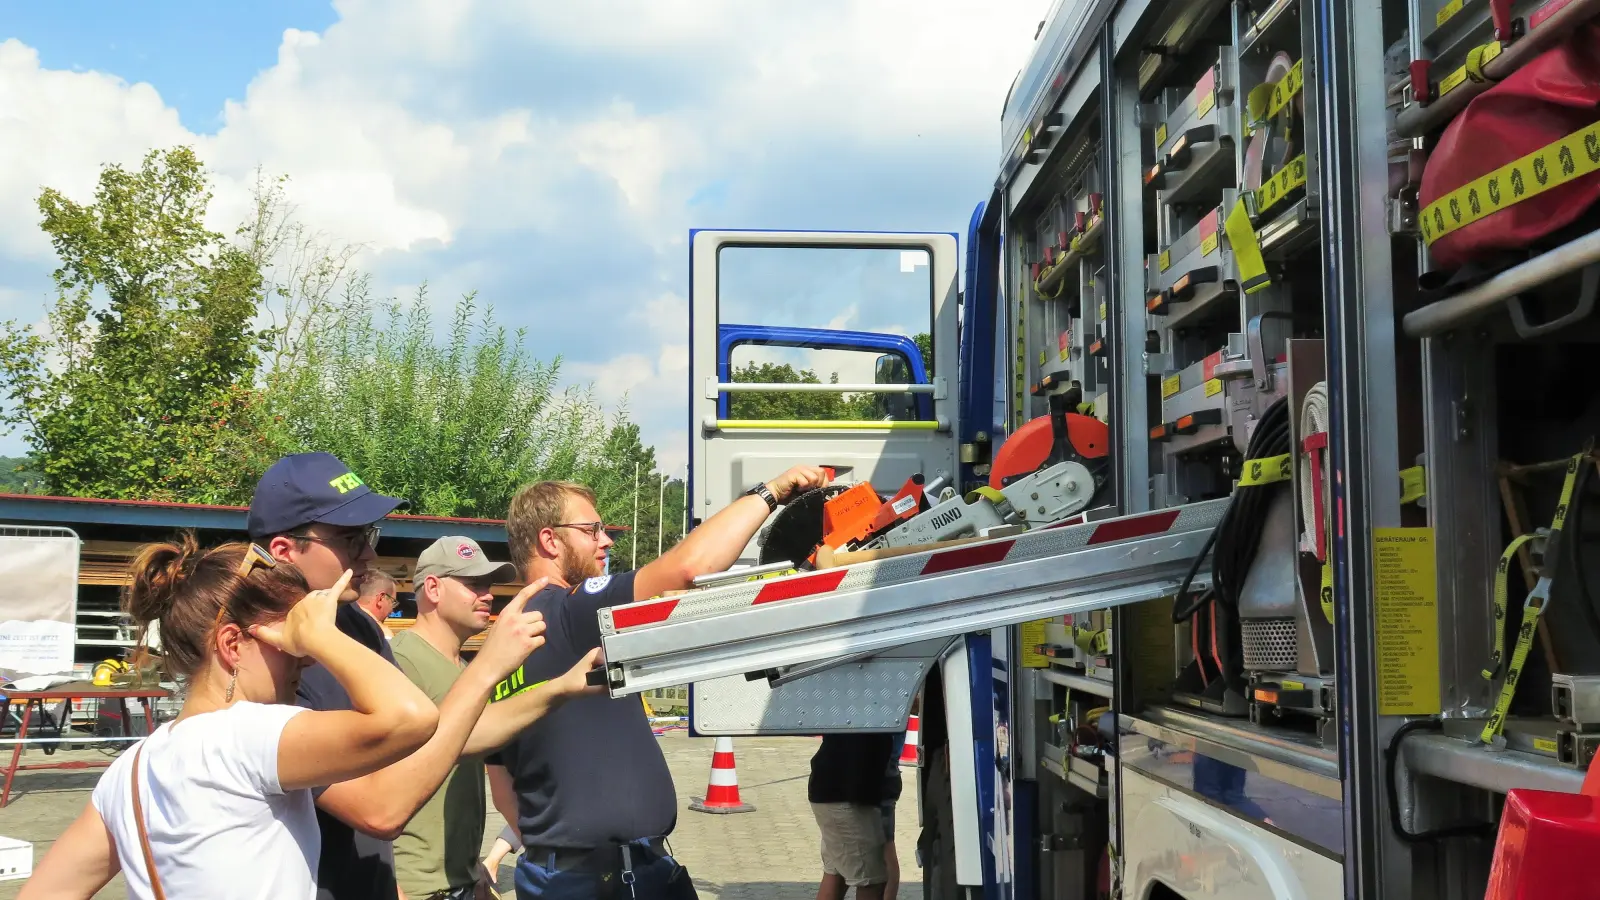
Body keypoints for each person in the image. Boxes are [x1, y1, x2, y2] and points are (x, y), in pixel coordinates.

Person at [248, 452, 590, 900]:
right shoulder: (266, 659)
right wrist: (489, 666)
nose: (370, 553)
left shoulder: (353, 624)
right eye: (351, 538)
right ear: (284, 551)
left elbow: (441, 737)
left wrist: (565, 687)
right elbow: (380, 808)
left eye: (369, 535)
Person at [21, 536, 440, 899]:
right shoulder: (247, 734)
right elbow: (411, 717)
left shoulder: (129, 769)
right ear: (232, 645)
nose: (306, 659)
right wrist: (322, 634)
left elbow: (48, 892)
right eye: (289, 638)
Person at [490, 465, 830, 899]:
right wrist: (770, 492)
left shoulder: (505, 643)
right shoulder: (566, 612)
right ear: (549, 540)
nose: (606, 540)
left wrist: (558, 851)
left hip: (566, 873)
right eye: (592, 530)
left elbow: (502, 791)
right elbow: (690, 568)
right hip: (603, 880)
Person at [391, 536, 600, 900]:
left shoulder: (469, 669)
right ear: (434, 588)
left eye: (488, 585)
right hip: (417, 886)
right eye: (473, 585)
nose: (487, 594)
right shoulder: (399, 660)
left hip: (459, 882)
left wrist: (474, 871)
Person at [808, 733, 898, 900]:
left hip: (831, 792)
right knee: (872, 882)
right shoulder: (873, 713)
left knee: (836, 874)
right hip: (848, 798)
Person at [357, 570, 399, 640]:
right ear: (381, 599)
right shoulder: (381, 637)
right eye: (392, 602)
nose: (392, 611)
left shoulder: (339, 619)